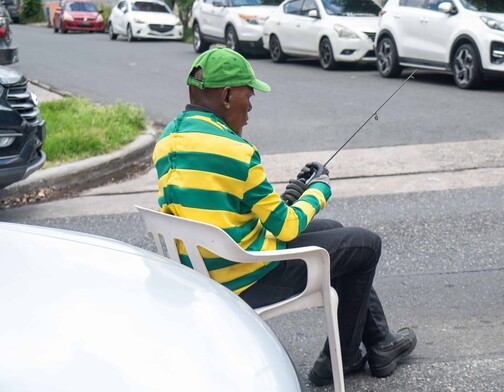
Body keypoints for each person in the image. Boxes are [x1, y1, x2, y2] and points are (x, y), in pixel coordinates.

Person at [152, 47, 416, 386]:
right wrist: (319, 189)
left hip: (209, 267)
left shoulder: (168, 139)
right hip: (247, 278)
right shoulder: (235, 151)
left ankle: (380, 344)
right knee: (365, 246)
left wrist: (288, 198)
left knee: (335, 232)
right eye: (249, 96)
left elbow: (225, 210)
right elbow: (286, 225)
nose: (251, 109)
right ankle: (348, 356)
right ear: (228, 96)